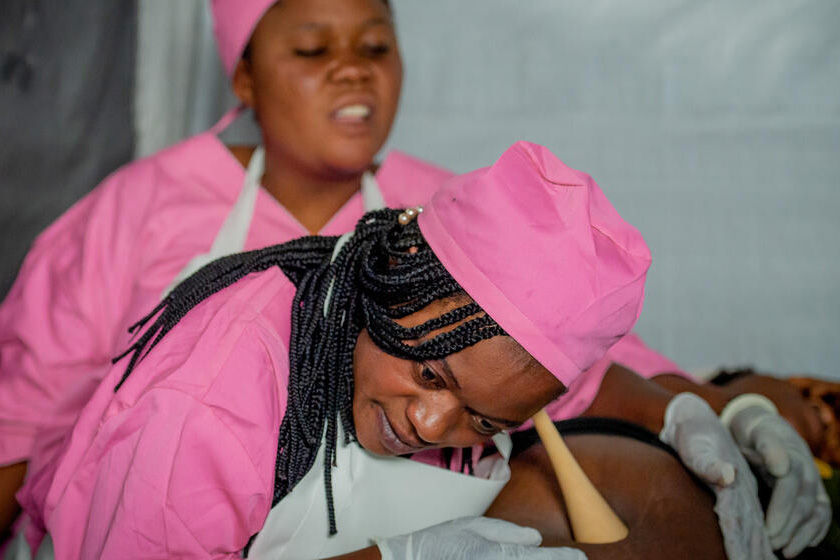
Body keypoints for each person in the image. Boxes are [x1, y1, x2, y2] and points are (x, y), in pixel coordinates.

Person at [0, 0, 829, 557]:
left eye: (374, 48)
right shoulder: (149, 242)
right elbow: (18, 420)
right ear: (246, 75)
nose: (354, 73)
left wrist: (708, 410)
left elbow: (558, 363)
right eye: (314, 50)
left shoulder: (440, 208)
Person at [20, 141, 653, 558]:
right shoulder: (211, 407)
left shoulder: (494, 378)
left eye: (484, 422)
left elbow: (606, 389)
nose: (429, 425)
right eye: (430, 372)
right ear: (394, 278)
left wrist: (708, 413)